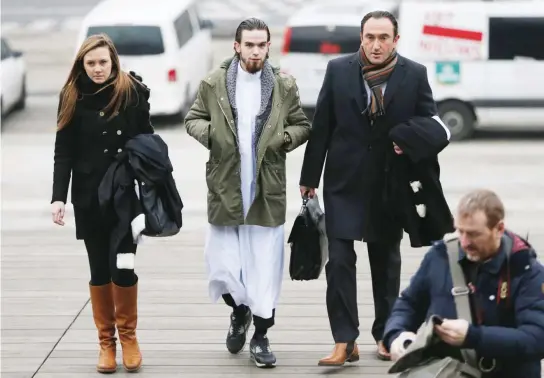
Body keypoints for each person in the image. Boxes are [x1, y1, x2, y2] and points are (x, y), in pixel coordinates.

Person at [298, 10, 452, 364]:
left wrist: (409, 142)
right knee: (338, 261)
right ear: (361, 38)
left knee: (385, 263)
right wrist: (309, 178)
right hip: (343, 181)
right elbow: (321, 126)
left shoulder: (415, 74)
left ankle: (385, 334)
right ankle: (344, 340)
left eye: (384, 37)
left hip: (389, 183)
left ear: (396, 40)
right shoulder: (338, 70)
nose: (376, 44)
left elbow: (431, 125)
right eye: (370, 37)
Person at [184, 18, 311, 368]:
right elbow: (192, 118)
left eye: (262, 44)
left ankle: (261, 336)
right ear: (237, 46)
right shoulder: (214, 83)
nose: (256, 50)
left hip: (266, 191)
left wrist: (284, 140)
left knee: (265, 267)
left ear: (269, 47)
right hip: (225, 188)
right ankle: (239, 312)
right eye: (249, 44)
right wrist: (212, 136)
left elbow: (301, 125)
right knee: (223, 265)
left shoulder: (284, 86)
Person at [50, 33, 154, 374]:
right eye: (90, 63)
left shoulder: (131, 92)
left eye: (102, 62)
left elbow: (147, 143)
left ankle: (129, 338)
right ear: (82, 64)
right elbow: (63, 151)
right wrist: (58, 198)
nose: (97, 69)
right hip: (88, 198)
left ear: (113, 62)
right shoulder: (72, 96)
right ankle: (106, 343)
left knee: (123, 266)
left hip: (124, 198)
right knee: (99, 269)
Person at [384, 189, 544, 378]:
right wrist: (397, 335)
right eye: (460, 231)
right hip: (447, 370)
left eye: (474, 234)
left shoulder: (525, 269)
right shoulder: (440, 256)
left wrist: (473, 336)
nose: (465, 242)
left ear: (499, 229)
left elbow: (536, 340)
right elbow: (408, 303)